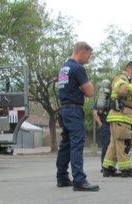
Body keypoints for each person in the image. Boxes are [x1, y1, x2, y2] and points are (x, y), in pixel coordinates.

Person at [55, 41, 99, 191]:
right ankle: (79, 180)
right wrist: (83, 88)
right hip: (74, 110)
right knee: (77, 144)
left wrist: (79, 88)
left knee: (66, 144)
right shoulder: (77, 68)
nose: (89, 59)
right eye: (89, 55)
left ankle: (62, 177)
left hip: (64, 110)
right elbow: (90, 92)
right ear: (82, 52)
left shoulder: (64, 68)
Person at [101, 61, 132, 178]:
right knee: (124, 142)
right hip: (121, 116)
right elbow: (122, 90)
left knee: (114, 143)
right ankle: (125, 169)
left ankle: (108, 168)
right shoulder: (121, 78)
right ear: (128, 68)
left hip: (120, 117)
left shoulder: (130, 81)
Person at [92, 104, 111, 172]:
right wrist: (101, 125)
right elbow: (95, 113)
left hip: (113, 124)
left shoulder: (113, 99)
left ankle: (110, 166)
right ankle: (104, 166)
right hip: (105, 125)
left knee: (113, 146)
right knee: (106, 145)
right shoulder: (100, 101)